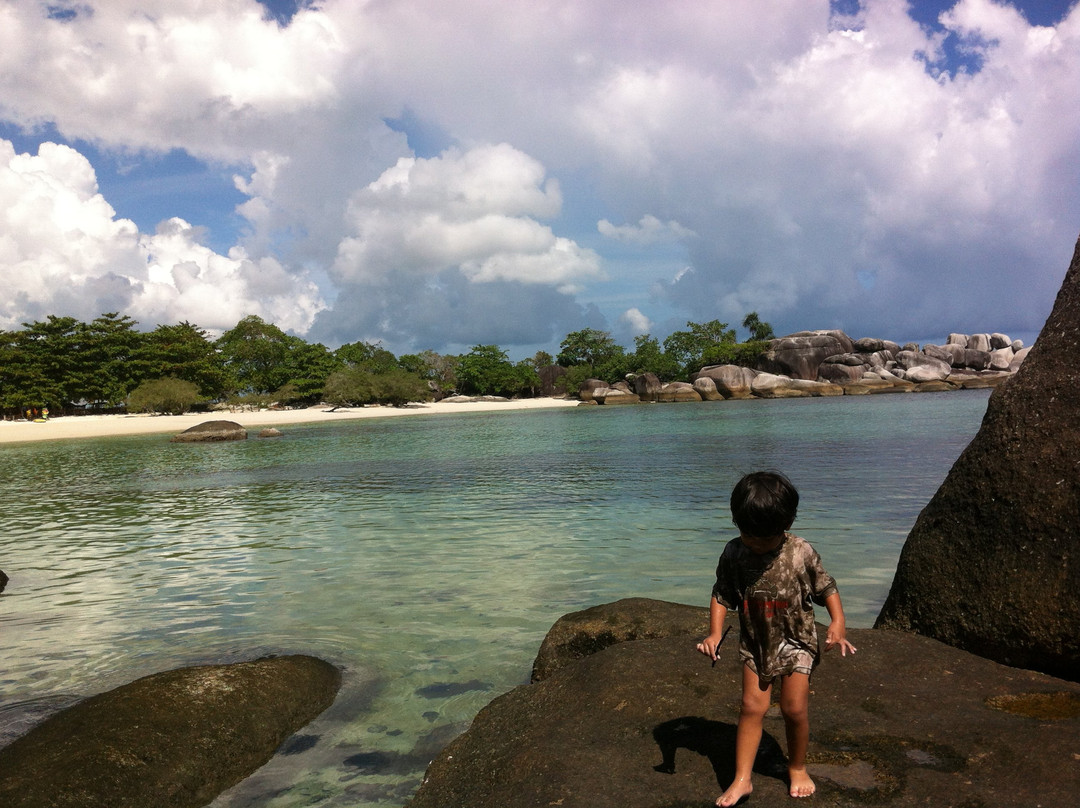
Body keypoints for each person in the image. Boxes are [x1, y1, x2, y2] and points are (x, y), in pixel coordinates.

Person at [696, 471, 856, 805]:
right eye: (747, 535)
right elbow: (722, 594)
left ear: (786, 525)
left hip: (797, 643)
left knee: (793, 709)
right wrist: (714, 633)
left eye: (764, 540)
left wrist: (838, 622)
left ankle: (796, 767)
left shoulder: (800, 552)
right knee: (750, 708)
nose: (754, 544)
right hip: (756, 644)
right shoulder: (734, 553)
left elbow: (826, 587)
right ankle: (742, 779)